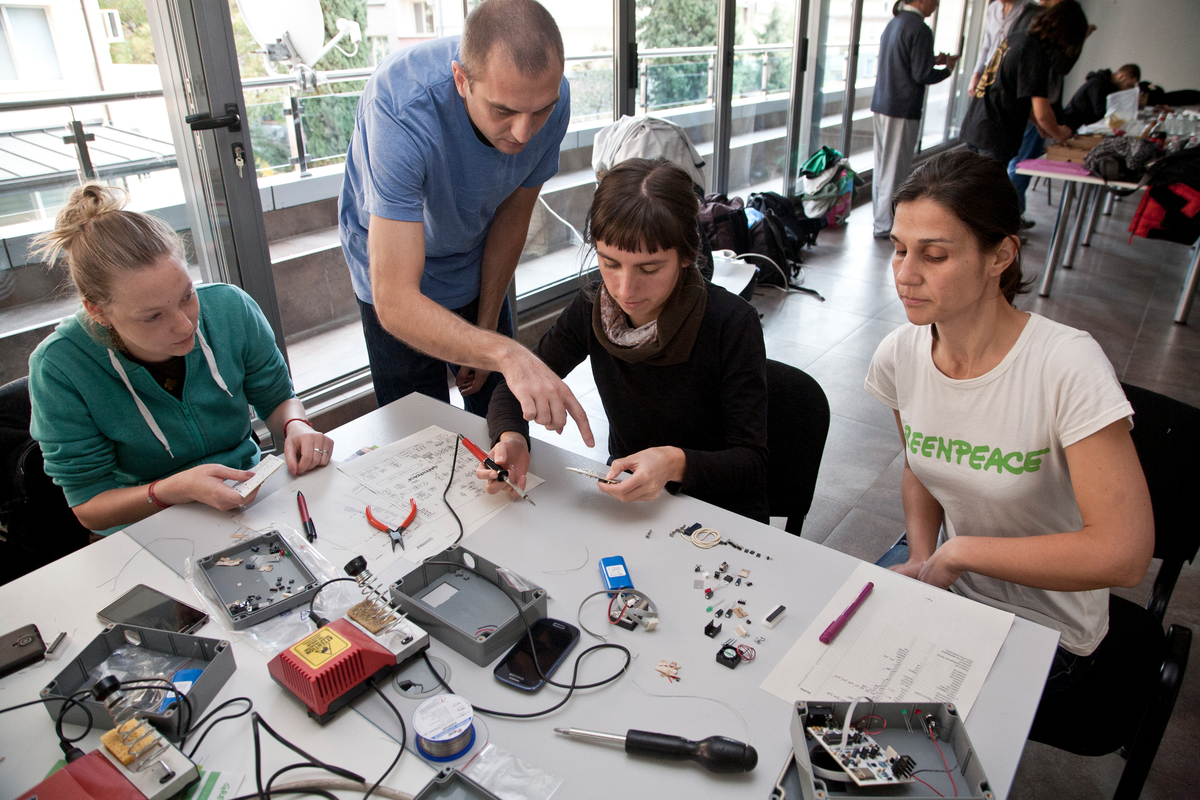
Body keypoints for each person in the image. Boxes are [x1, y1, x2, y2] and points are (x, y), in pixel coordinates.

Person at [866, 150, 1154, 695]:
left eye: (934, 255)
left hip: (1050, 631)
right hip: (952, 585)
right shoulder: (899, 355)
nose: (905, 275)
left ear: (1000, 255)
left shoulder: (1066, 365)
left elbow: (1125, 553)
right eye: (900, 250)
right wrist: (925, 555)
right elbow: (922, 468)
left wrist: (960, 552)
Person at [339, 0, 593, 448]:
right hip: (394, 271)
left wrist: (489, 326)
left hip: (474, 252)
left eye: (540, 112)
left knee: (505, 424)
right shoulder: (400, 108)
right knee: (419, 437)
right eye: (503, 112)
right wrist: (506, 351)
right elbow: (395, 299)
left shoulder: (550, 100)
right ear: (461, 80)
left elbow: (513, 217)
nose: (523, 132)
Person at [27, 184, 334, 534]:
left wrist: (296, 426)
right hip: (146, 526)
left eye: (187, 295)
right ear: (98, 312)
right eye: (153, 316)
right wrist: (171, 490)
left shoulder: (230, 308)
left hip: (249, 496)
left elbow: (278, 398)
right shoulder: (58, 368)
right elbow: (90, 506)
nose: (185, 324)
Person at [477, 159, 769, 522]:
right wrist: (513, 441)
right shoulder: (593, 308)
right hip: (635, 503)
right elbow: (514, 384)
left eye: (650, 269)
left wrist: (673, 463)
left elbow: (752, 463)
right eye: (610, 263)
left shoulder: (731, 323)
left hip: (720, 513)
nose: (625, 290)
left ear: (686, 257)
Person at [870, 0, 959, 239]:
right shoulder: (920, 28)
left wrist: (933, 60)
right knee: (896, 168)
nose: (937, 5)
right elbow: (922, 74)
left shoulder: (894, 23)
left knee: (882, 166)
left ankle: (880, 220)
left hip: (882, 103)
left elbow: (906, 62)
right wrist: (948, 68)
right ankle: (887, 224)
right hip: (902, 106)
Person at [961, 0, 1086, 168]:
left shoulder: (1018, 38)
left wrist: (1040, 126)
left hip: (977, 125)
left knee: (972, 189)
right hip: (995, 134)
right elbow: (1041, 111)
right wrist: (1058, 132)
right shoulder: (1035, 52)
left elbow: (1014, 94)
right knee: (987, 191)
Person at [967, 0, 1033, 97]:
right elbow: (986, 46)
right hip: (989, 74)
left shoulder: (1028, 10)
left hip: (1011, 76)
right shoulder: (993, 8)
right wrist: (976, 74)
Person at [1059, 63, 1139, 129]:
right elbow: (1101, 112)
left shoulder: (1107, 85)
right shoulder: (1098, 83)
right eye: (1129, 85)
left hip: (1080, 125)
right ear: (1122, 77)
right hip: (1071, 126)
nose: (1127, 89)